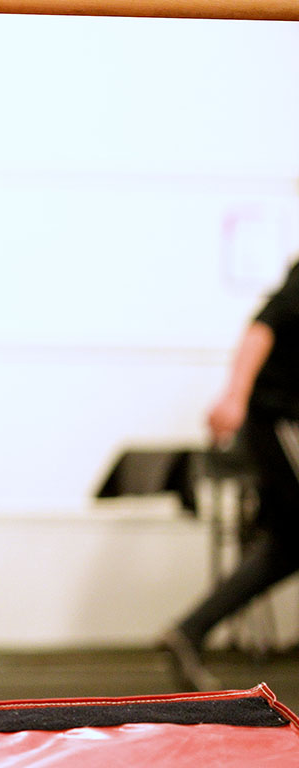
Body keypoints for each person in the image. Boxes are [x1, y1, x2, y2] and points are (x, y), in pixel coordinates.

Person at [161, 260, 299, 692]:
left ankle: (189, 632)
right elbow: (262, 328)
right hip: (280, 418)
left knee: (289, 545)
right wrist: (234, 397)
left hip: (281, 418)